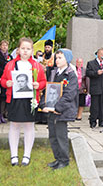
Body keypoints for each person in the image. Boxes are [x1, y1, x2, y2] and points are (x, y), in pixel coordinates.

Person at [1, 37, 46, 166]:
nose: (25, 51)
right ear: (18, 50)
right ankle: (13, 155)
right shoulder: (10, 64)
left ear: (32, 50)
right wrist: (7, 83)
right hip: (14, 99)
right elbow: (2, 80)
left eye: (28, 49)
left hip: (30, 100)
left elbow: (43, 81)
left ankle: (27, 155)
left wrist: (39, 85)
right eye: (23, 48)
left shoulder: (37, 65)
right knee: (14, 125)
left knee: (29, 126)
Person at [40, 48, 78, 170]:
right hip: (51, 110)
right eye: (56, 57)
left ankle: (64, 160)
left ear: (67, 59)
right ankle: (57, 158)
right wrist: (43, 105)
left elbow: (69, 95)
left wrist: (57, 108)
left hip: (62, 111)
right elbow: (47, 90)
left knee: (61, 136)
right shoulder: (53, 73)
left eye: (60, 58)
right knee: (53, 135)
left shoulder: (71, 75)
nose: (57, 60)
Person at [86, 48, 103, 128]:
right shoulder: (91, 63)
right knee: (94, 106)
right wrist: (96, 73)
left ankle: (102, 122)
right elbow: (88, 73)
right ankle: (93, 121)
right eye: (101, 54)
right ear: (97, 54)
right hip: (95, 87)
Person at [0, 40, 13, 123]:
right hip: (0, 77)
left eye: (6, 45)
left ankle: (2, 114)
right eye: (3, 45)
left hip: (6, 79)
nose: (4, 47)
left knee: (3, 97)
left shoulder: (10, 56)